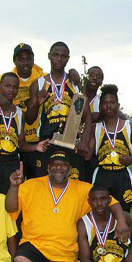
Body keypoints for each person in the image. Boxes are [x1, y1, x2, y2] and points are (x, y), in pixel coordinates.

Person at [0, 43, 80, 179]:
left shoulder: (42, 78)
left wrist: (72, 71)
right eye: (21, 59)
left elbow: (61, 77)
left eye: (28, 59)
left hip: (38, 142)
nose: (25, 63)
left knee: (37, 181)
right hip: (12, 140)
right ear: (14, 61)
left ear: (34, 59)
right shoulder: (4, 79)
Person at [0, 72, 48, 194]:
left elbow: (21, 144)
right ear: (0, 86)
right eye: (7, 85)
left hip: (11, 167)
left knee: (10, 208)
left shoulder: (19, 113)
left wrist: (36, 147)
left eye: (15, 86)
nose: (11, 90)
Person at [26, 41, 92, 181]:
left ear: (68, 58)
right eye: (56, 55)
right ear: (49, 56)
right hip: (47, 142)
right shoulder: (38, 83)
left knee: (73, 185)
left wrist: (84, 141)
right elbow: (30, 119)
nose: (59, 59)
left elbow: (86, 115)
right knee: (44, 187)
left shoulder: (74, 83)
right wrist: (35, 104)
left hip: (70, 140)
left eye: (63, 56)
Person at [91, 84, 132, 212]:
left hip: (122, 175)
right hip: (103, 174)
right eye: (105, 103)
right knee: (101, 211)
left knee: (124, 212)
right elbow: (88, 153)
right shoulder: (96, 128)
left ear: (118, 105)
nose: (109, 106)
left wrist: (131, 159)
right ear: (100, 106)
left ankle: (125, 232)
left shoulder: (130, 127)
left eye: (112, 102)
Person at [83, 66, 104, 181]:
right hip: (73, 145)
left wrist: (101, 115)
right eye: (91, 75)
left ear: (101, 82)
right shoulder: (75, 95)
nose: (94, 78)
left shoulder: (102, 102)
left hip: (93, 152)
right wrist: (92, 116)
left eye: (98, 77)